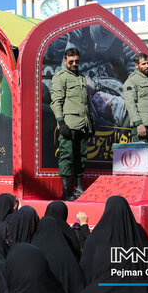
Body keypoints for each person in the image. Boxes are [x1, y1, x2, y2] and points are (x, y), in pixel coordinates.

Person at [51, 48, 94, 200]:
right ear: (65, 61)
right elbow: (56, 102)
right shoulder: (60, 77)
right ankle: (66, 191)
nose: (74, 64)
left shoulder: (81, 77)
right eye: (71, 61)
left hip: (82, 124)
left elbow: (85, 103)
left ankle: (79, 188)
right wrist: (61, 123)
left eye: (77, 61)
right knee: (66, 156)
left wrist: (90, 123)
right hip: (69, 124)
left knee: (81, 157)